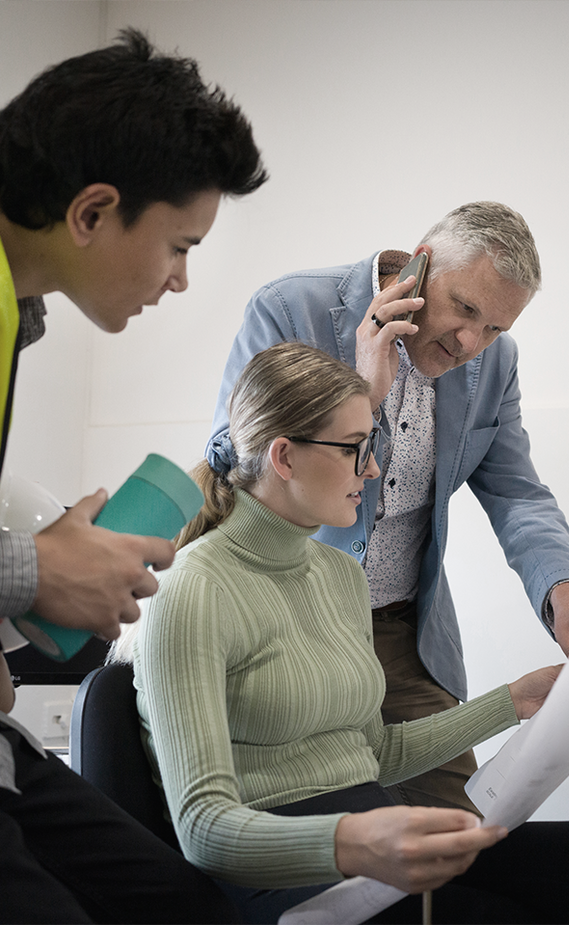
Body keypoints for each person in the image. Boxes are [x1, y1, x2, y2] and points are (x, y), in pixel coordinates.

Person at [123, 341, 569, 924]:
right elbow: (203, 830)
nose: (373, 469)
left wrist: (515, 700)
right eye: (355, 449)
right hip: (286, 875)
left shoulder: (340, 577)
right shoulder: (191, 589)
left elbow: (376, 753)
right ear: (284, 457)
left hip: (369, 838)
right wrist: (357, 841)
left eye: (371, 445)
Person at [0, 28, 267, 923]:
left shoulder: (17, 313)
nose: (182, 279)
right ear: (91, 212)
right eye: (179, 245)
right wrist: (36, 570)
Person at [207, 201, 569, 812]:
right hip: (285, 630)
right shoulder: (290, 309)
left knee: (460, 835)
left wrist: (565, 588)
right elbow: (230, 459)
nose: (472, 343)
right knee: (326, 827)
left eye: (496, 327)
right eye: (465, 308)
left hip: (402, 634)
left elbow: (516, 489)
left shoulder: (494, 363)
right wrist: (357, 390)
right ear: (418, 267)